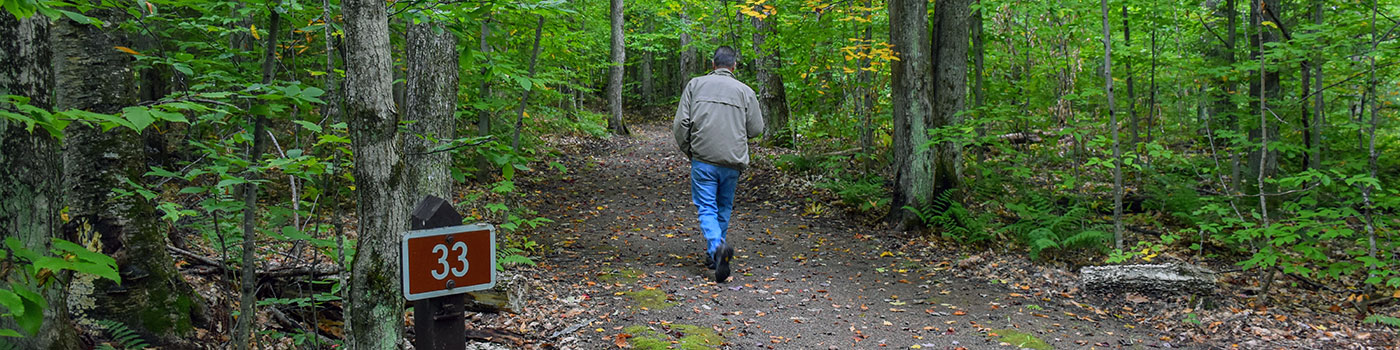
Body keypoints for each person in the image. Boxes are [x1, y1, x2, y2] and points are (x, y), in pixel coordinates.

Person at [672, 46, 765, 283]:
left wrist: (690, 150)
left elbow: (680, 124)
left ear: (713, 64)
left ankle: (716, 248)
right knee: (723, 207)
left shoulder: (695, 85)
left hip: (703, 158)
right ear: (734, 67)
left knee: (706, 207)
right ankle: (715, 255)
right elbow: (756, 129)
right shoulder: (746, 92)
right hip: (732, 161)